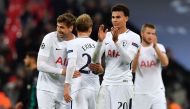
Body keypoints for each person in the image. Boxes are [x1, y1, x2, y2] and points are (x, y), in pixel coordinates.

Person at [89, 4, 141, 109]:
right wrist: (99, 41)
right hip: (106, 84)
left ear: (126, 18)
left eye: (118, 17)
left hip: (123, 85)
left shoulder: (134, 37)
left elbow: (128, 60)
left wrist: (116, 42)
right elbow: (95, 59)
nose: (115, 20)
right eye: (113, 17)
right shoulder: (107, 36)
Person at [36, 12, 80, 109]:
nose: (58, 30)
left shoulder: (77, 43)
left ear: (71, 28)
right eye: (58, 26)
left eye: (62, 27)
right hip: (46, 88)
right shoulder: (49, 38)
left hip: (65, 90)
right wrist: (62, 71)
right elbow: (40, 65)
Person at [63, 14, 102, 109]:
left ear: (76, 28)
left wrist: (66, 86)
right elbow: (98, 68)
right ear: (90, 29)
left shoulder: (72, 43)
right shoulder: (96, 44)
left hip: (79, 88)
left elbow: (71, 64)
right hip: (95, 88)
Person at [132, 23, 169, 109]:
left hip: (157, 92)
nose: (151, 36)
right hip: (140, 93)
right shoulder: (135, 49)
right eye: (148, 33)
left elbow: (165, 63)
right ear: (142, 33)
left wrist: (155, 47)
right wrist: (137, 52)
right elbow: (133, 69)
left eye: (153, 34)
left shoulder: (159, 47)